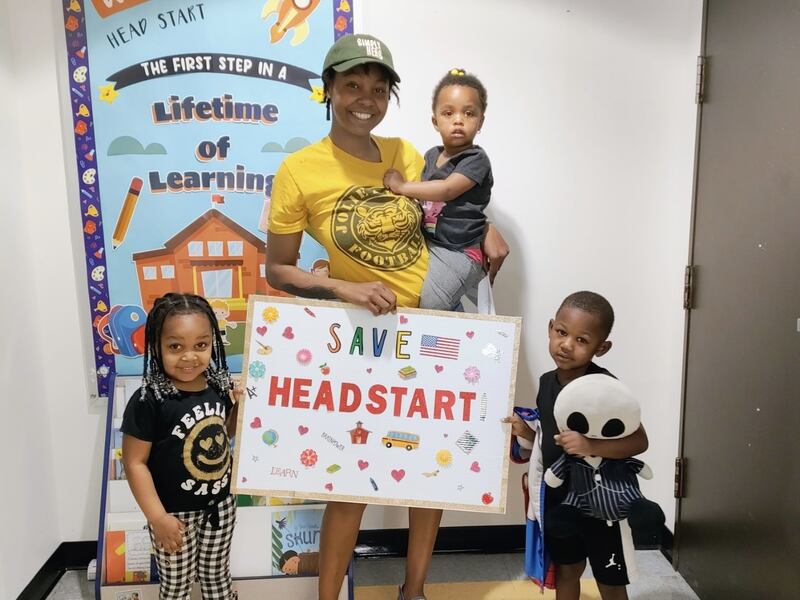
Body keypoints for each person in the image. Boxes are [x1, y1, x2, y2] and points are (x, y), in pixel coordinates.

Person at [265, 33, 509, 600]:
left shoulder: (404, 154)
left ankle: (414, 590)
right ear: (328, 90)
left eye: (379, 88)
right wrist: (341, 286)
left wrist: (488, 227)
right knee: (348, 479)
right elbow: (279, 271)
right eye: (352, 84)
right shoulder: (300, 171)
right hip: (362, 336)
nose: (365, 99)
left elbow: (455, 200)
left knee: (433, 470)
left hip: (435, 330)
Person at [504, 291, 648, 600]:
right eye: (561, 333)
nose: (566, 345)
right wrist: (526, 433)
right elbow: (551, 440)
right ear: (550, 328)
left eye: (582, 340)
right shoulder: (545, 382)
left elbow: (639, 440)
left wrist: (590, 444)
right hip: (559, 500)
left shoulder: (606, 388)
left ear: (601, 347)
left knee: (610, 579)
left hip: (599, 502)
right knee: (567, 571)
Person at [121, 293, 241, 600]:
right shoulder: (149, 400)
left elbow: (223, 433)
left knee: (217, 577)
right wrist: (157, 518)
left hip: (220, 507)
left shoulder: (216, 386)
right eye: (176, 346)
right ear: (156, 347)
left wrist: (239, 407)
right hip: (173, 515)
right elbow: (134, 463)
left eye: (200, 345)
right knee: (176, 586)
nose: (190, 356)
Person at [383, 69, 492, 310]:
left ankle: (448, 344)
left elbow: (447, 190)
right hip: (431, 244)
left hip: (460, 251)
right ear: (435, 121)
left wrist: (402, 186)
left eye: (469, 113)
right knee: (421, 294)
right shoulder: (431, 155)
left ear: (481, 121)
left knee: (431, 305)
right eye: (448, 113)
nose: (458, 120)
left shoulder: (476, 159)